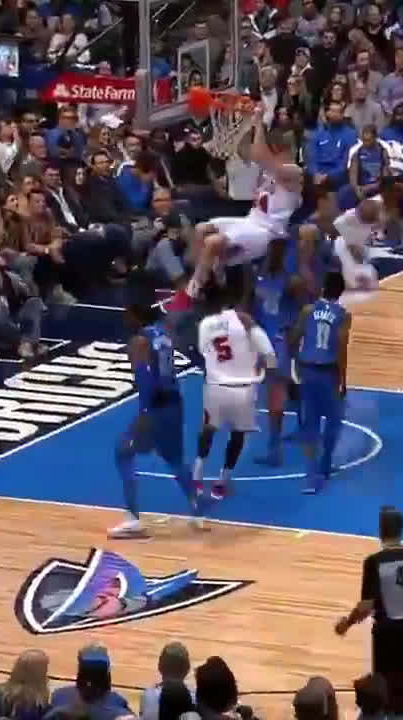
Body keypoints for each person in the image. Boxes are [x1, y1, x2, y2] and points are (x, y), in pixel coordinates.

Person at [187, 106, 304, 301]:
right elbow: (245, 148)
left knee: (212, 242)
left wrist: (258, 121)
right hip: (250, 221)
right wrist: (247, 122)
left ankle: (192, 292)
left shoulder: (294, 173)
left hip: (268, 232)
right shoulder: (268, 170)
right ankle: (207, 275)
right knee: (200, 229)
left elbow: (259, 155)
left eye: (273, 150)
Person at [335, 507, 403, 718]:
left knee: (383, 686)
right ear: (402, 529)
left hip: (385, 631)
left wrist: (347, 623)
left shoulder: (374, 562)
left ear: (381, 530)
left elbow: (365, 607)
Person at [108, 302, 198, 539]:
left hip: (156, 407)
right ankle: (197, 508)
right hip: (175, 404)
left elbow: (145, 380)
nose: (125, 319)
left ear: (136, 315)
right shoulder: (162, 333)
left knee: (123, 451)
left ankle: (132, 520)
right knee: (174, 458)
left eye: (128, 314)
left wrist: (144, 413)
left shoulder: (139, 342)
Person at [194, 289, 278, 502]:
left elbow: (203, 351)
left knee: (208, 430)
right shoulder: (247, 323)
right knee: (238, 436)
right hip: (243, 389)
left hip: (217, 386)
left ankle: (197, 477)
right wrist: (264, 367)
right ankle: (221, 483)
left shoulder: (206, 324)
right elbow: (269, 353)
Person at [288, 271, 350, 494]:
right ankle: (325, 466)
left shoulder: (307, 310)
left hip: (307, 371)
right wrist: (343, 379)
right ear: (341, 292)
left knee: (310, 424)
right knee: (334, 420)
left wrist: (295, 364)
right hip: (328, 372)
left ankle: (310, 476)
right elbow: (341, 348)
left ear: (323, 289)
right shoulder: (343, 315)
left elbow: (293, 339)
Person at [252, 237, 307, 467]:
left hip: (278, 340)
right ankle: (305, 427)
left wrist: (294, 336)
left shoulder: (291, 280)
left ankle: (275, 450)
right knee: (285, 387)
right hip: (265, 339)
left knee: (275, 394)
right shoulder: (258, 274)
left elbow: (305, 308)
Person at [332, 197, 384, 293]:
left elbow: (377, 226)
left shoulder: (375, 210)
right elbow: (352, 248)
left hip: (362, 246)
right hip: (346, 247)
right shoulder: (344, 222)